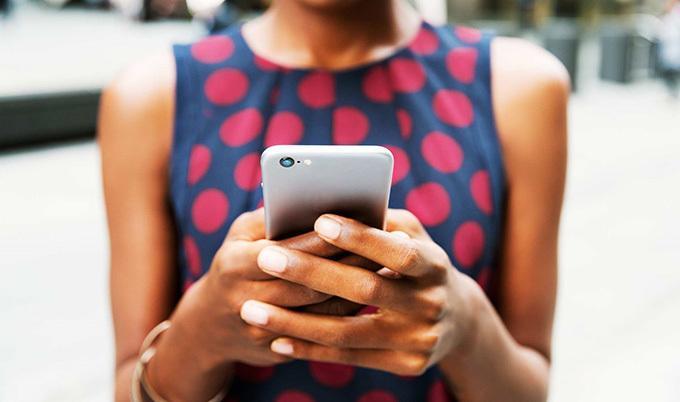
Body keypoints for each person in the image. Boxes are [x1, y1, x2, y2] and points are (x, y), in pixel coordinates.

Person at [98, 0, 568, 401]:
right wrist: (199, 336)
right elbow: (128, 383)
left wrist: (466, 325)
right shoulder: (151, 97)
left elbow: (529, 385)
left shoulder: (521, 87)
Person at [659, 0, 680, 98]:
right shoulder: (668, 16)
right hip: (668, 46)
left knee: (673, 68)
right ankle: (671, 89)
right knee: (669, 68)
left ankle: (673, 89)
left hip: (674, 46)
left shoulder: (676, 14)